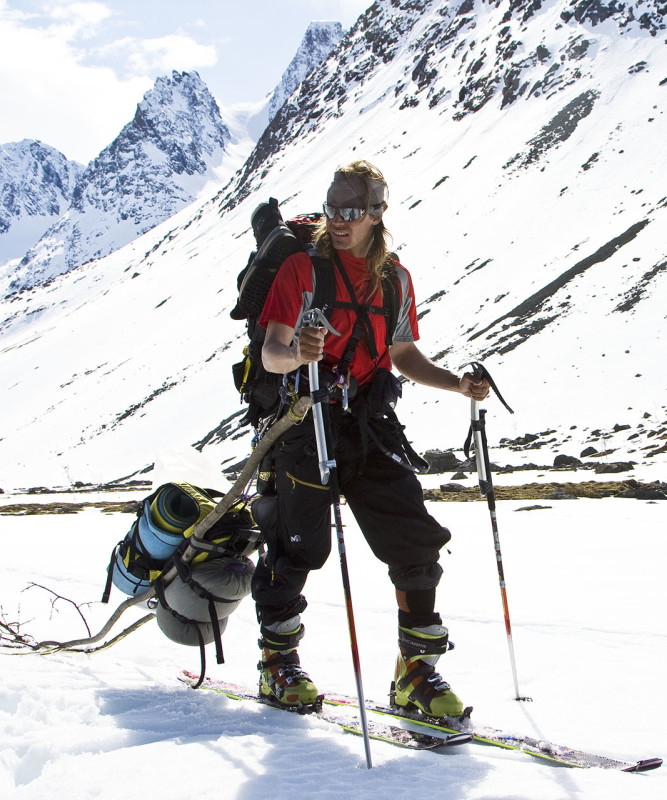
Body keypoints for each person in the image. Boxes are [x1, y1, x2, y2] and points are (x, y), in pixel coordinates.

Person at [249, 160, 489, 719]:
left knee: (414, 540)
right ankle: (277, 662)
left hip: (368, 422)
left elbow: (402, 355)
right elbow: (272, 350)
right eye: (333, 209)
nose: (339, 220)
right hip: (305, 420)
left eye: (352, 211)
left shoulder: (396, 279)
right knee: (299, 547)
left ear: (378, 213)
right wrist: (298, 356)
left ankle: (416, 673)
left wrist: (457, 384)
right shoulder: (301, 272)